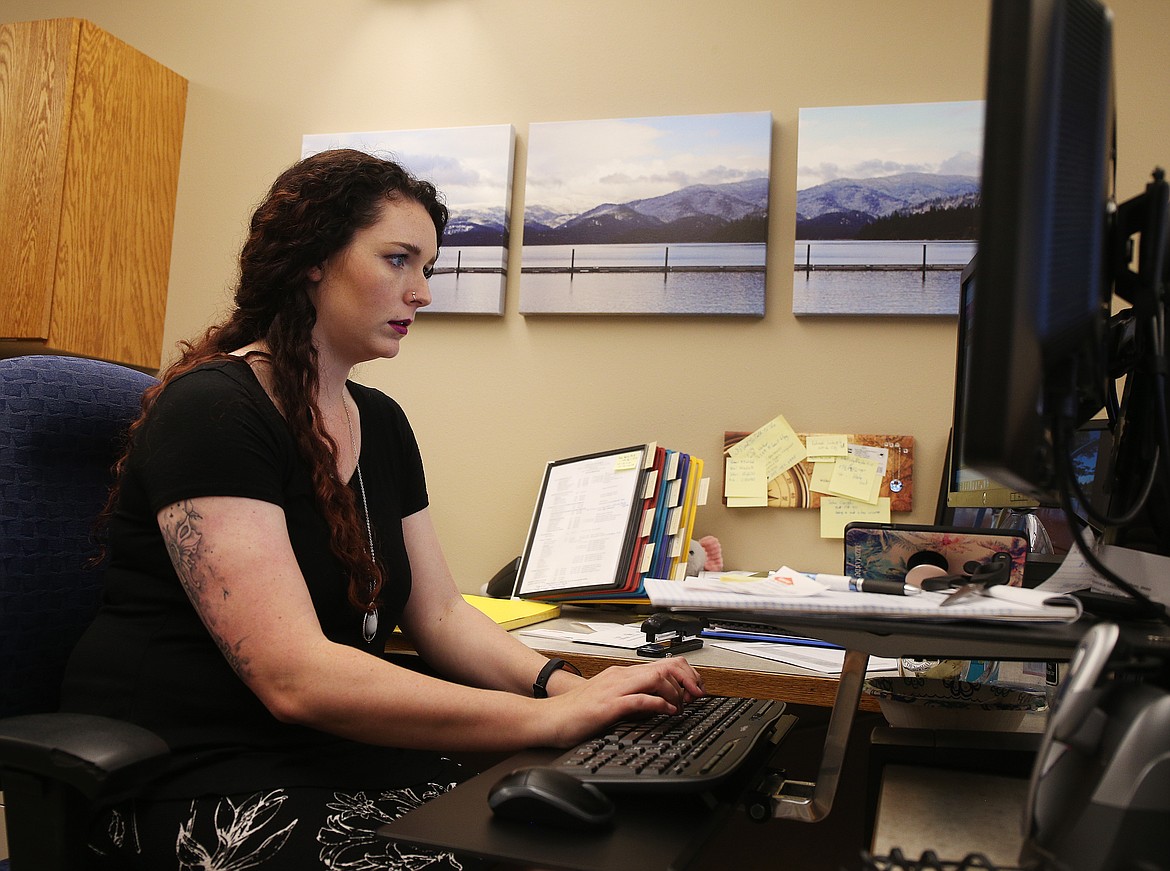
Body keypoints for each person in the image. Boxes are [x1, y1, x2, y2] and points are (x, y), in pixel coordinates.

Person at [61, 148, 705, 870]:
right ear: (312, 259)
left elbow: (440, 615)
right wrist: (548, 719)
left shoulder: (382, 423)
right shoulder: (213, 410)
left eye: (426, 267)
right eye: (399, 259)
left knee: (604, 833)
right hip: (190, 774)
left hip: (326, 756)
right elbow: (294, 677)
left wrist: (570, 686)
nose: (422, 291)